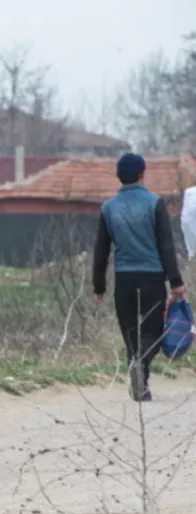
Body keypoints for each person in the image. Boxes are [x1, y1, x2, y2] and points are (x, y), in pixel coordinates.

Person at [92, 152, 187, 402]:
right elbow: (166, 246)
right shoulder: (155, 203)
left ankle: (140, 384)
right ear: (142, 174)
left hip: (124, 278)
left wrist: (98, 285)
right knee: (153, 331)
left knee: (131, 333)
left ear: (119, 177)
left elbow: (101, 250)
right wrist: (176, 282)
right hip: (152, 278)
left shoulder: (108, 208)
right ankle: (142, 366)